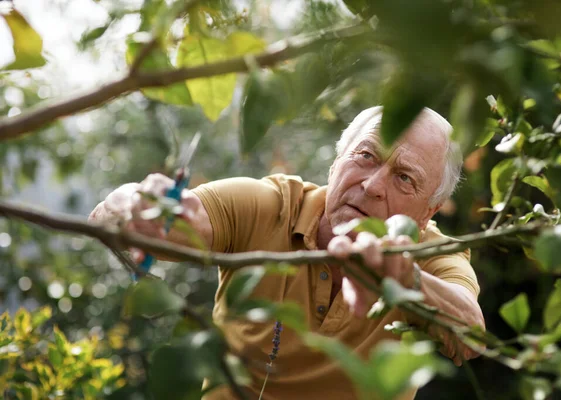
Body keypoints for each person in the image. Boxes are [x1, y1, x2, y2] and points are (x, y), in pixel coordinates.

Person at [89, 106, 485, 400]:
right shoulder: (271, 205)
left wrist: (405, 278)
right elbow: (138, 218)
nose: (373, 186)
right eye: (366, 156)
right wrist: (134, 208)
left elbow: (470, 334)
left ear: (427, 213)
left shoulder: (433, 254)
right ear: (335, 163)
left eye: (404, 178)